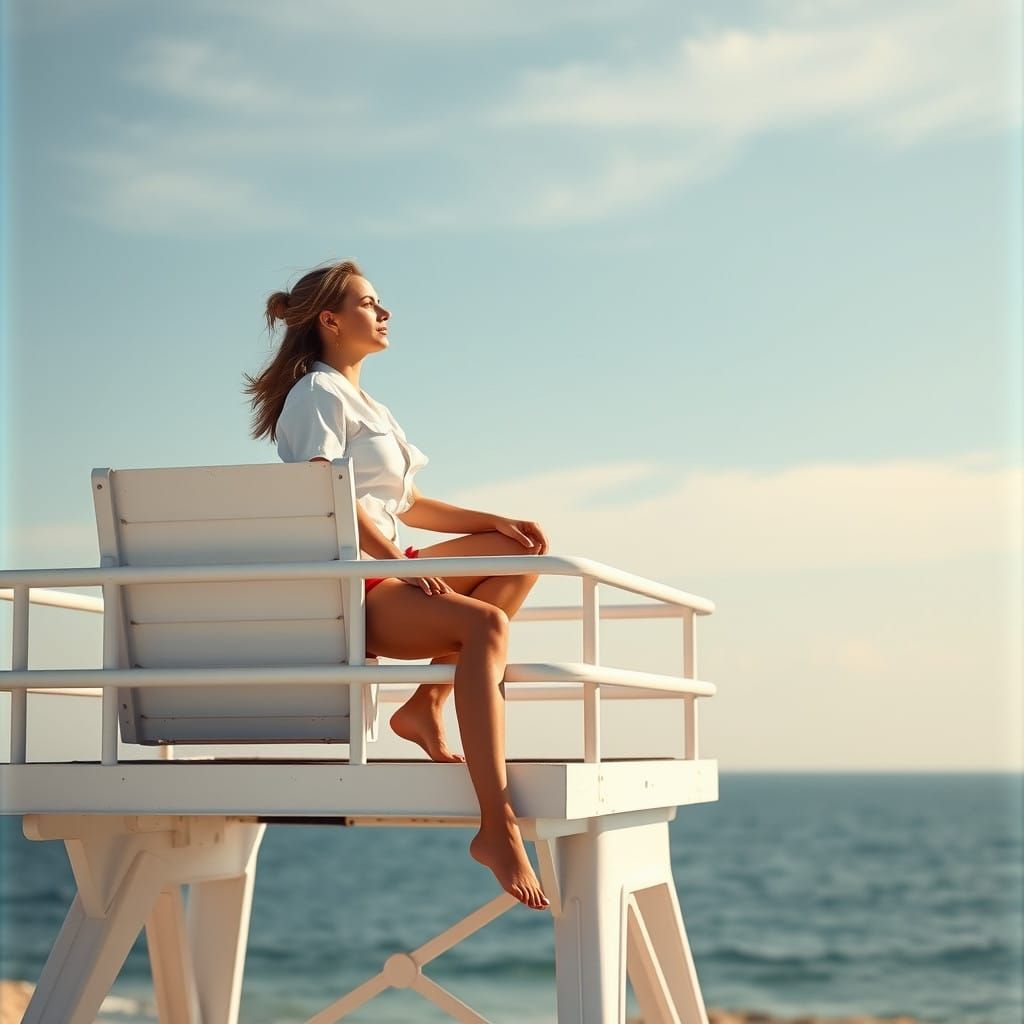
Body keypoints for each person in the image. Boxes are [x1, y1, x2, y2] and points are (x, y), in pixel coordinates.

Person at [244, 259, 550, 910]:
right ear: (331, 319)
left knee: (520, 552)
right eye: (370, 303)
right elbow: (326, 497)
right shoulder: (316, 394)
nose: (384, 313)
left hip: (390, 562)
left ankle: (425, 707)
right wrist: (404, 564)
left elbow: (406, 504)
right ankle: (496, 828)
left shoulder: (367, 404)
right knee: (485, 626)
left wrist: (493, 520)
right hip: (355, 586)